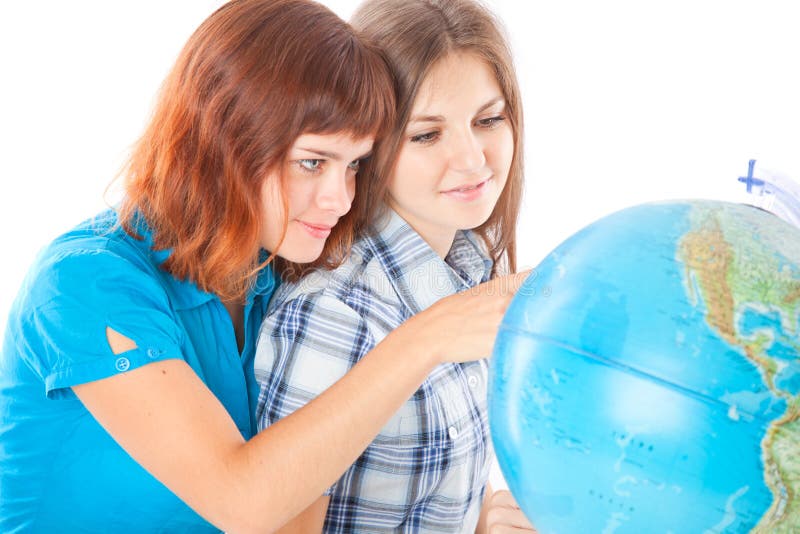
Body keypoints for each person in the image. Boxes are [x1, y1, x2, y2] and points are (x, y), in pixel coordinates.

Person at [0, 1, 527, 532]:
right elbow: (243, 502)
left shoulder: (273, 262)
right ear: (224, 140)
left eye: (355, 166)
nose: (340, 199)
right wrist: (425, 338)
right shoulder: (83, 286)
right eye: (311, 163)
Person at [255, 0, 536, 532]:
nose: (474, 159)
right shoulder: (333, 316)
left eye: (488, 119)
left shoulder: (467, 270)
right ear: (369, 146)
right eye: (426, 135)